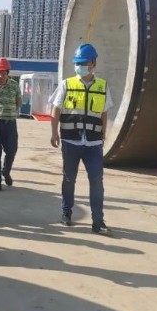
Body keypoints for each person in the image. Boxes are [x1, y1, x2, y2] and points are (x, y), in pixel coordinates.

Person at [49, 43, 114, 236]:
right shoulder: (67, 84)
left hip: (93, 143)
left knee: (97, 181)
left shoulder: (102, 86)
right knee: (69, 179)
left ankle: (98, 222)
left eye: (83, 63)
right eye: (77, 63)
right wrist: (54, 133)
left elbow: (104, 113)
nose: (80, 66)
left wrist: (103, 135)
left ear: (93, 63)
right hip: (71, 141)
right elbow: (56, 109)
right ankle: (66, 213)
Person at [0, 58, 21, 191]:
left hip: (10, 124)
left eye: (3, 73)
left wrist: (11, 111)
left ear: (7, 73)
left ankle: (6, 171)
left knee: (12, 150)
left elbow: (18, 101)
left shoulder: (14, 85)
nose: (0, 76)